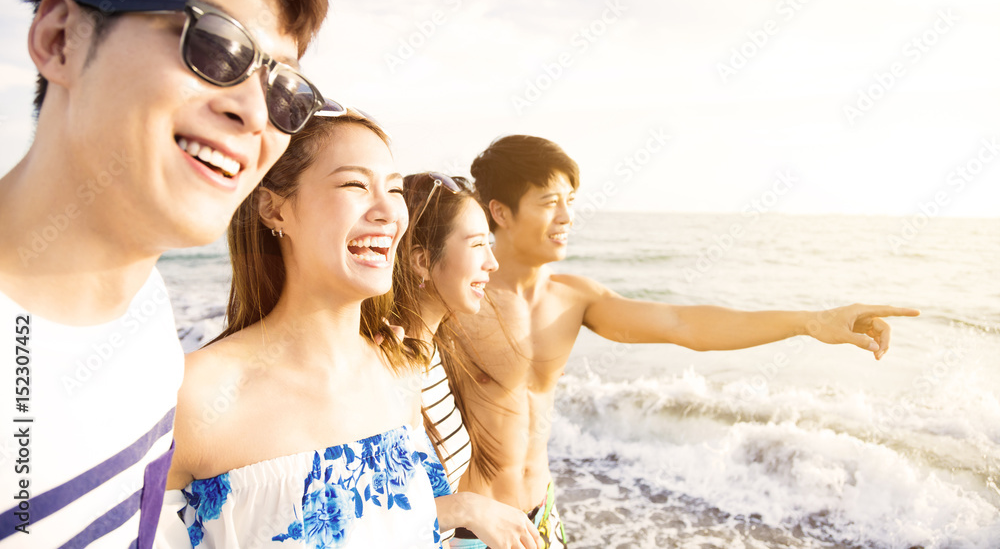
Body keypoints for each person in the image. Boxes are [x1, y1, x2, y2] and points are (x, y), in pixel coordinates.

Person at [0, 0, 328, 546]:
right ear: (60, 39)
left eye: (286, 90)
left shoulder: (148, 313)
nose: (255, 113)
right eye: (215, 45)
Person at [448, 134, 921, 547]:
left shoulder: (574, 298)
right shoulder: (455, 304)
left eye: (571, 199)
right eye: (550, 202)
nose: (568, 215)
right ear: (499, 212)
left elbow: (683, 324)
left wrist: (811, 322)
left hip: (542, 518)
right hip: (476, 528)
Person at [159, 109, 451, 548]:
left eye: (394, 188)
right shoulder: (194, 398)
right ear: (274, 210)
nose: (390, 209)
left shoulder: (399, 372)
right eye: (356, 184)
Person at [391, 172, 543, 549]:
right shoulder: (385, 362)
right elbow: (363, 515)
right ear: (422, 261)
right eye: (477, 245)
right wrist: (468, 509)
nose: (492, 262)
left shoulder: (434, 350)